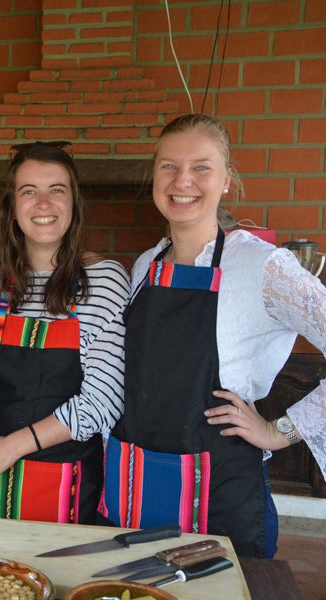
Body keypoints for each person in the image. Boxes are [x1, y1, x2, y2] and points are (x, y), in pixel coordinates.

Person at [100, 113, 326, 558]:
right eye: (169, 165)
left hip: (220, 489)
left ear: (226, 180)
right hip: (139, 478)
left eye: (202, 166)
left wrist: (280, 431)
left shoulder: (264, 266)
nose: (183, 180)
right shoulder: (146, 264)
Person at [0, 142, 129, 524]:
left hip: (69, 486)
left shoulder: (105, 279)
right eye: (29, 191)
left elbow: (104, 400)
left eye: (57, 190)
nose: (43, 203)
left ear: (74, 204)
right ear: (12, 206)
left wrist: (11, 448)